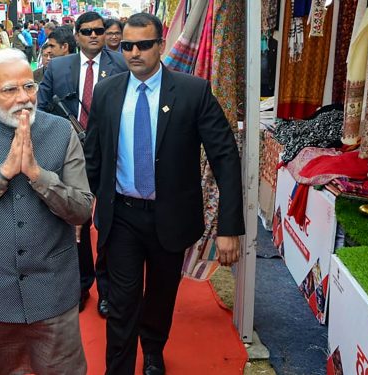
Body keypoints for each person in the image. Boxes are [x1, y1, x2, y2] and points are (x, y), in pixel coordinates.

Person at [83, 13, 244, 375]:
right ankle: (118, 368)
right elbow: (93, 157)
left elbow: (225, 157)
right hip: (121, 215)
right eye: (127, 46)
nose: (134, 53)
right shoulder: (107, 92)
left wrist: (230, 226)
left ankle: (153, 350)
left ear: (160, 46)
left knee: (160, 295)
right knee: (122, 302)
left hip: (169, 216)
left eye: (143, 45)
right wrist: (84, 206)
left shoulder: (192, 91)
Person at [0, 48, 93, 374]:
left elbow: (82, 209)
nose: (24, 98)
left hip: (52, 290)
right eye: (9, 90)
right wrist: (2, 175)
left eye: (29, 86)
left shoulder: (62, 132)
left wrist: (38, 176)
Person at [38, 11, 128, 317]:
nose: (93, 35)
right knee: (75, 222)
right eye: (87, 31)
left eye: (99, 30)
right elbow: (41, 107)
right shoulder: (59, 66)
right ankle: (79, 285)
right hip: (68, 154)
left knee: (108, 224)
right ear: (76, 35)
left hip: (111, 155)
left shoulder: (122, 64)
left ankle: (107, 290)